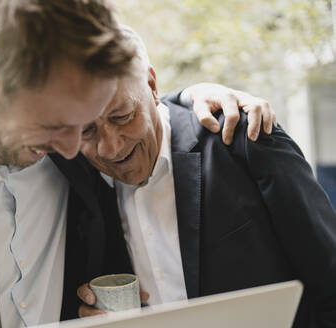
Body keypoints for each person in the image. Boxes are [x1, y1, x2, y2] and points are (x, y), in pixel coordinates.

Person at [0, 2, 276, 328]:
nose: (77, 149)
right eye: (54, 124)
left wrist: (191, 98)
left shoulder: (78, 155)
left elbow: (138, 112)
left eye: (84, 124)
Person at [72, 27, 336, 328]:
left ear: (151, 85)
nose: (110, 148)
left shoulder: (246, 139)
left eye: (122, 116)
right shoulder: (80, 184)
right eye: (86, 131)